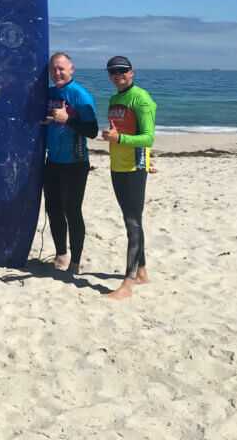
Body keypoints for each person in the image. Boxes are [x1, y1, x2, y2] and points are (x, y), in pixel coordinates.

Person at [97, 55, 157, 300]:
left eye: (122, 70)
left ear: (132, 72)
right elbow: (121, 131)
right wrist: (112, 136)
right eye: (113, 71)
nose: (118, 74)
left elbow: (148, 138)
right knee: (131, 221)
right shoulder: (115, 98)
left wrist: (119, 139)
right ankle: (141, 273)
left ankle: (128, 285)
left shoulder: (141, 98)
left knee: (133, 224)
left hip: (134, 167)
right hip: (117, 166)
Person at [43, 52, 98, 275]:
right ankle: (61, 254)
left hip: (75, 163)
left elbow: (92, 131)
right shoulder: (47, 93)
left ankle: (76, 261)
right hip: (52, 161)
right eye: (53, 69)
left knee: (72, 211)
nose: (57, 73)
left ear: (71, 69)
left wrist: (68, 120)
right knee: (53, 209)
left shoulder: (81, 96)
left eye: (61, 68)